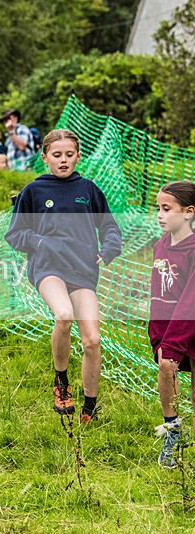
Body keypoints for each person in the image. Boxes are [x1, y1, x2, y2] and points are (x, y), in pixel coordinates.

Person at [5, 129, 122, 422]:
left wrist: (108, 250)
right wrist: (40, 242)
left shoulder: (89, 190)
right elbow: (15, 234)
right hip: (48, 268)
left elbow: (110, 227)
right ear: (45, 157)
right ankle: (61, 382)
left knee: (92, 340)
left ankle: (90, 408)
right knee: (64, 314)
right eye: (57, 155)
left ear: (78, 156)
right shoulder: (33, 191)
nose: (63, 160)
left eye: (69, 154)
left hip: (82, 270)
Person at [149, 181, 195, 468]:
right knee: (166, 365)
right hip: (172, 327)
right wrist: (158, 335)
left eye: (167, 209)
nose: (160, 215)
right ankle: (172, 430)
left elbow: (191, 300)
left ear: (189, 212)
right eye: (158, 208)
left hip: (189, 322)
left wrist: (174, 340)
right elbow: (158, 295)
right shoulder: (160, 246)